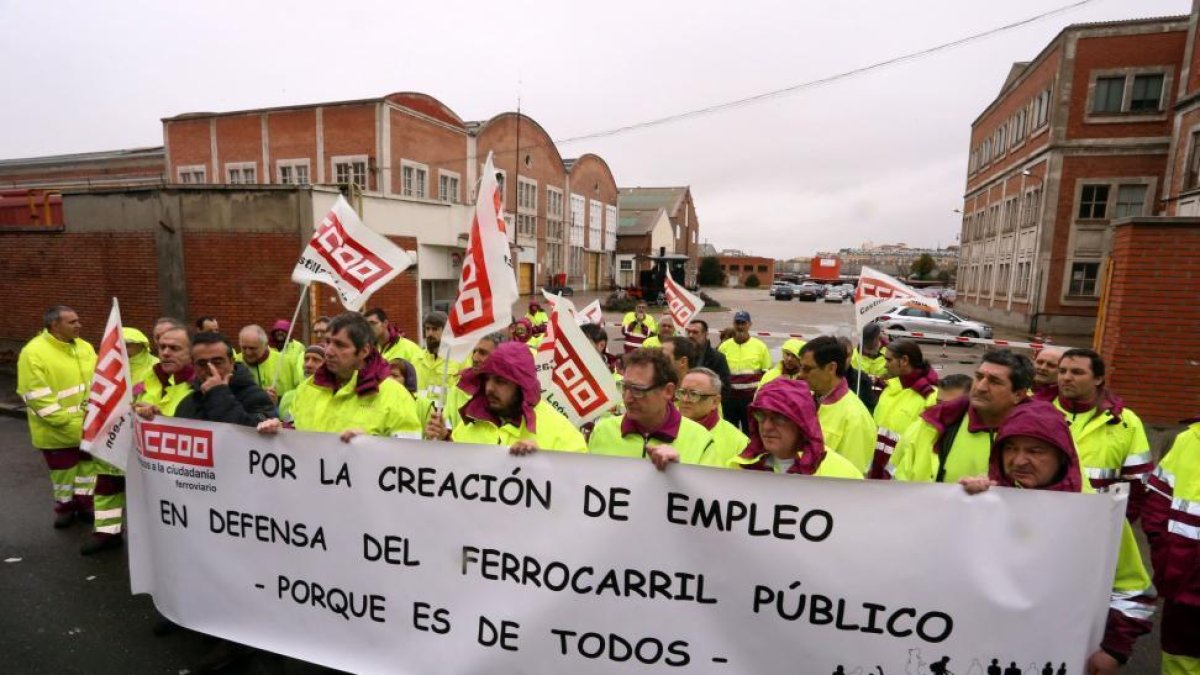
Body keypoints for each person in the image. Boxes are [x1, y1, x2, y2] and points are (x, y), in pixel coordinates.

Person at [958, 401, 1156, 674]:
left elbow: (1134, 592)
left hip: (1059, 656)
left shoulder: (1098, 516)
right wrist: (962, 505)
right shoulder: (987, 500)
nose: (1018, 461)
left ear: (1062, 455)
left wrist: (1114, 651)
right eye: (1010, 448)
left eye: (1035, 450)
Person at [92, 325, 195, 555]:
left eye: (175, 348)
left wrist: (161, 417)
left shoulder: (199, 384)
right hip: (142, 458)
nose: (166, 352)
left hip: (177, 472)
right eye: (162, 347)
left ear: (192, 353)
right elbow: (133, 406)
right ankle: (107, 534)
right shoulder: (152, 375)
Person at [258, 312, 420, 440]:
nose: (328, 351)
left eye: (340, 345)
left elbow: (409, 456)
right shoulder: (307, 388)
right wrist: (280, 431)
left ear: (364, 350)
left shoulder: (396, 396)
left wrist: (372, 448)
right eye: (328, 342)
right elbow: (295, 430)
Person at [891, 350, 1033, 484]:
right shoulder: (932, 424)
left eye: (994, 381)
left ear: (1018, 395)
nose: (980, 387)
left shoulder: (1033, 437)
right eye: (979, 377)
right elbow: (897, 482)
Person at [16, 305, 97, 529]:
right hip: (58, 431)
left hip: (88, 428)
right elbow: (35, 395)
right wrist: (69, 423)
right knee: (62, 476)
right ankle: (65, 509)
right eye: (72, 322)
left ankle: (84, 505)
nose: (79, 325)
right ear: (55, 325)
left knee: (87, 472)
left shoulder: (85, 347)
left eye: (78, 320)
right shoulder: (33, 353)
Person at [425, 341, 586, 453]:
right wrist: (444, 440)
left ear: (522, 386)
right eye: (486, 379)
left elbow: (579, 484)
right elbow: (459, 470)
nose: (489, 388)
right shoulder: (472, 422)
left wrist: (542, 464)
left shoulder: (560, 431)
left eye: (500, 381)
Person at [1052, 348, 1152, 522]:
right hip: (1042, 518)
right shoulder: (1036, 412)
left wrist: (1119, 523)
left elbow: (1138, 482)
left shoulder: (1125, 420)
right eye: (1062, 371)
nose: (1066, 377)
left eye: (1077, 372)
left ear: (1098, 379)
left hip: (1099, 524)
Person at [588, 348, 714, 468]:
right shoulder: (602, 431)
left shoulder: (701, 440)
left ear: (668, 391)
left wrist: (678, 471)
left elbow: (708, 489)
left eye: (638, 390)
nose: (627, 398)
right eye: (625, 387)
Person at [1144, 413, 1200, 674]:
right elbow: (1157, 503)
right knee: (1179, 658)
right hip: (1184, 584)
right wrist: (1164, 556)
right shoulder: (1188, 440)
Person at [729, 378, 862, 478]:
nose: (766, 426)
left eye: (779, 417)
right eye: (760, 415)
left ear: (802, 423)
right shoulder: (738, 469)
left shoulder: (842, 477)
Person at [799, 336, 877, 474]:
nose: (800, 374)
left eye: (807, 369)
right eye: (801, 368)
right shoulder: (810, 401)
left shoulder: (855, 418)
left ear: (831, 368)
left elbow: (850, 477)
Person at [868, 339, 938, 479]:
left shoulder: (930, 397)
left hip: (900, 481)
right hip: (876, 475)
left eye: (889, 360)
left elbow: (923, 448)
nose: (885, 366)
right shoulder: (889, 390)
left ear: (904, 360)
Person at [175, 332, 277, 425]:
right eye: (202, 364)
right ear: (193, 366)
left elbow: (249, 433)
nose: (211, 369)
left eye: (217, 362)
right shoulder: (187, 403)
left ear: (232, 362)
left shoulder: (256, 397)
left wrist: (218, 393)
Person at [676, 368, 747, 469]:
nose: (685, 399)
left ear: (715, 401)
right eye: (682, 392)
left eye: (694, 394)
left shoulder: (739, 443)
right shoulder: (661, 426)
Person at [718, 310, 772, 433]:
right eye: (738, 323)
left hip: (751, 400)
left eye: (743, 323)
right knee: (730, 433)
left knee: (751, 433)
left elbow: (767, 375)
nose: (740, 326)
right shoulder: (724, 346)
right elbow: (718, 374)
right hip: (729, 400)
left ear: (749, 324)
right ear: (733, 324)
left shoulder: (760, 346)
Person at [237, 324, 299, 404]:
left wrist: (279, 400)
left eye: (253, 348)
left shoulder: (287, 362)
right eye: (244, 348)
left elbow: (300, 393)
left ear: (265, 345)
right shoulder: (235, 363)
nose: (248, 352)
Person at [411, 311, 463, 397]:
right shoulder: (417, 359)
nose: (430, 333)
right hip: (422, 410)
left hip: (447, 410)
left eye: (435, 329)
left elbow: (465, 394)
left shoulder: (459, 359)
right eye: (428, 329)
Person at [279, 344, 325, 423]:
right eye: (306, 359)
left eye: (316, 360)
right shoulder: (289, 396)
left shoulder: (334, 395)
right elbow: (285, 423)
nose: (308, 365)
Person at [687, 319, 731, 397]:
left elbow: (725, 388)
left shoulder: (717, 358)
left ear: (706, 334)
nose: (690, 335)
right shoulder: (682, 356)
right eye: (689, 332)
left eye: (695, 332)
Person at [838, 335, 878, 412]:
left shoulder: (862, 379)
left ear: (852, 354)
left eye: (848, 355)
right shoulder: (825, 377)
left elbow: (871, 407)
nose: (844, 360)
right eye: (841, 355)